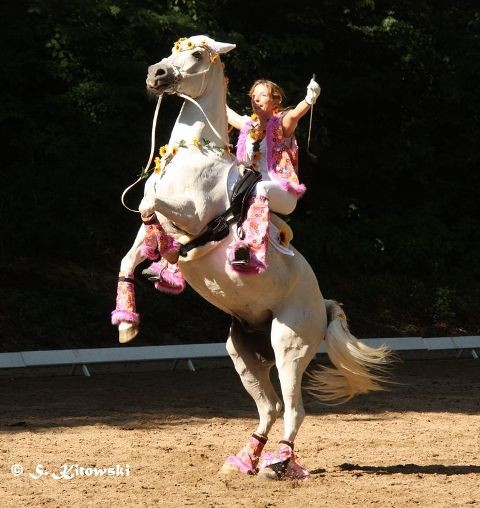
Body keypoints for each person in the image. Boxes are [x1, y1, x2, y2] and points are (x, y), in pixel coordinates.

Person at [226, 77, 321, 273]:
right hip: (250, 192)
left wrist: (309, 99)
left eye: (262, 94)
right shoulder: (248, 126)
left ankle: (251, 248)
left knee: (260, 187)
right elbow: (225, 111)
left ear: (276, 101)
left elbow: (295, 115)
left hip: (282, 193)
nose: (256, 99)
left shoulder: (280, 124)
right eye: (254, 95)